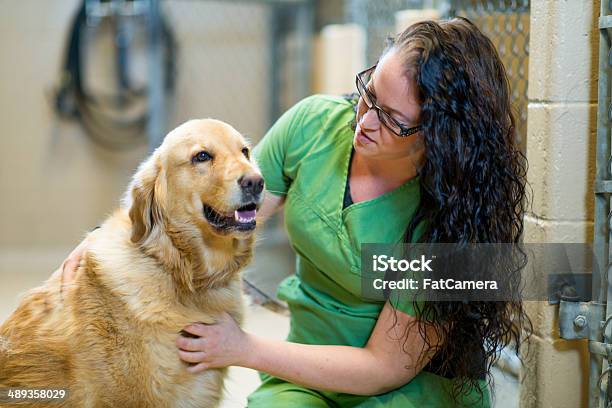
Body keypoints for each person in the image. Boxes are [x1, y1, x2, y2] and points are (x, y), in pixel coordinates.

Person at [59, 17, 528, 407]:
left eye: (391, 119)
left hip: (408, 388)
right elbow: (222, 208)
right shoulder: (315, 125)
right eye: (369, 91)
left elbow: (382, 369)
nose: (362, 120)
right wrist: (117, 238)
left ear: (440, 138)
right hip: (305, 369)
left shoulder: (451, 221)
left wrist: (242, 349)